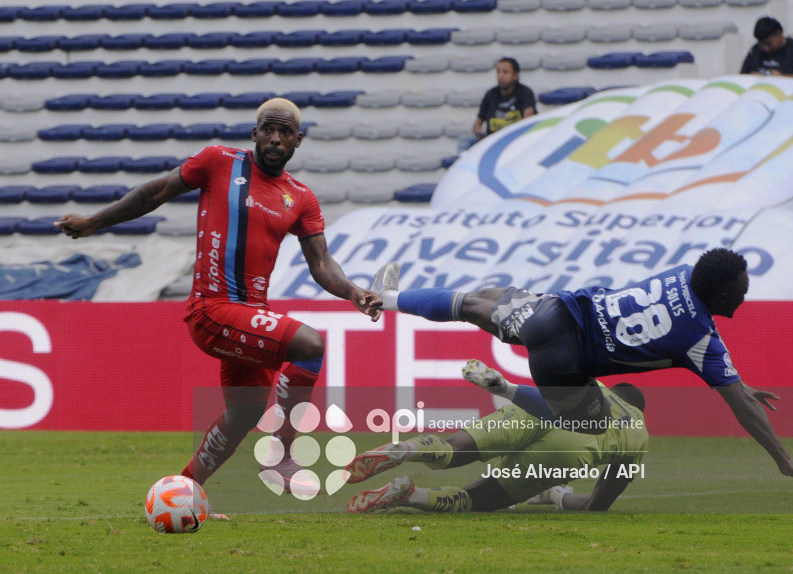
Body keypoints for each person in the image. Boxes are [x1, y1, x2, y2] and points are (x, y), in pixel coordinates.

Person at [55, 98, 383, 512]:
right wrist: (92, 223)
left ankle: (185, 491)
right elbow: (155, 191)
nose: (275, 138)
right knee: (311, 345)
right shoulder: (217, 162)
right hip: (211, 309)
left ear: (298, 141)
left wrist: (354, 292)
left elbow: (321, 263)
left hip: (250, 318)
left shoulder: (300, 197)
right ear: (254, 132)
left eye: (285, 132)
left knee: (244, 413)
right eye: (268, 129)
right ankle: (282, 454)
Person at [367, 250, 793, 477]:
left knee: (474, 301)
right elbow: (741, 407)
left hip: (554, 310)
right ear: (718, 296)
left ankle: (385, 299)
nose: (744, 296)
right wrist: (783, 460)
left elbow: (721, 367)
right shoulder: (702, 340)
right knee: (594, 426)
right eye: (739, 291)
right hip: (563, 360)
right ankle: (504, 390)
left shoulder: (684, 272)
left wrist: (738, 384)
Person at [345, 359, 648, 513]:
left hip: (539, 409)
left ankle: (408, 449)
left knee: (454, 447)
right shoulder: (640, 434)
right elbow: (597, 503)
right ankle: (409, 494)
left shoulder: (599, 390)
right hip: (568, 449)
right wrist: (560, 494)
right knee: (475, 499)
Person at [459, 57, 537, 152]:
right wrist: (479, 133)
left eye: (505, 72)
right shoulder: (490, 94)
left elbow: (528, 119)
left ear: (515, 75)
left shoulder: (525, 92)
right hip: (492, 140)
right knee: (465, 139)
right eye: (498, 72)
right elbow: (477, 125)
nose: (500, 75)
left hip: (515, 140)